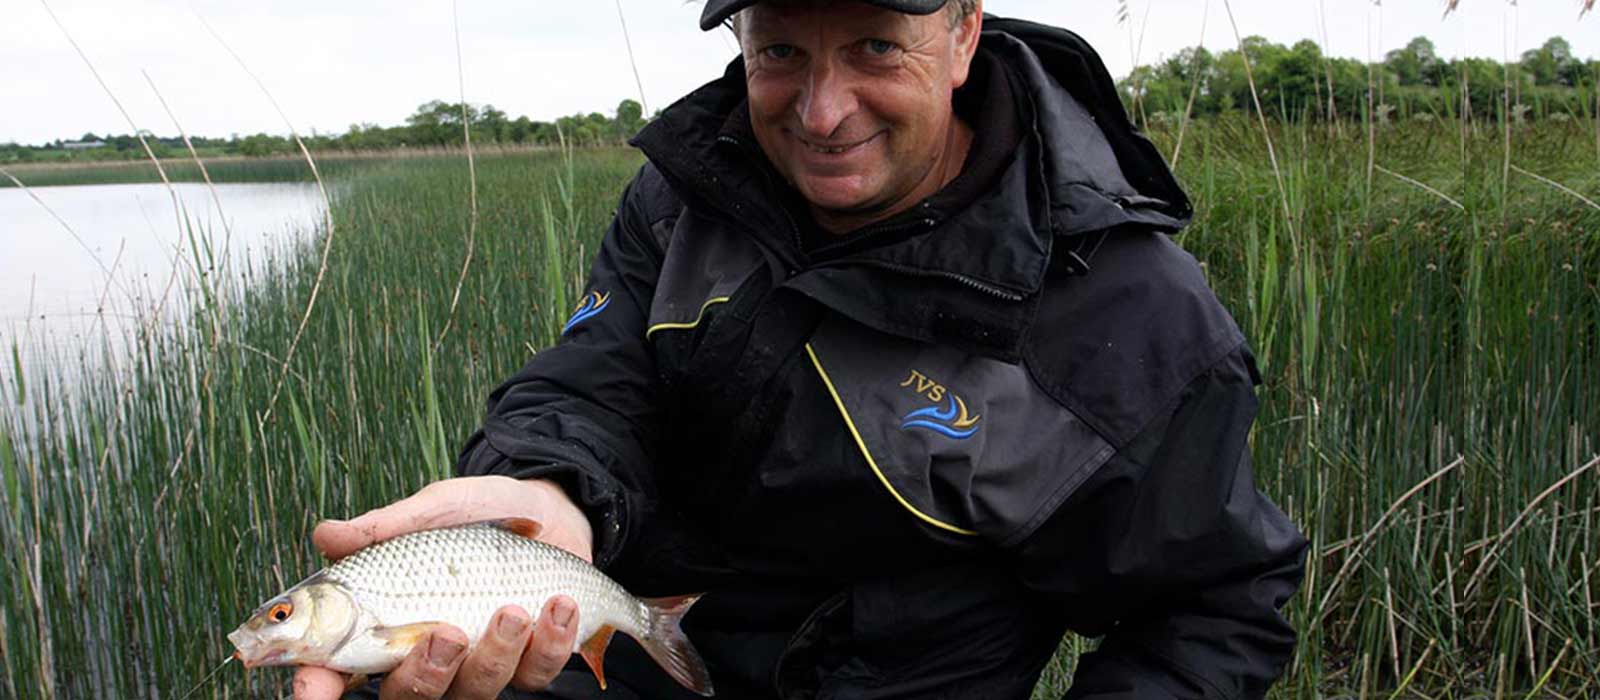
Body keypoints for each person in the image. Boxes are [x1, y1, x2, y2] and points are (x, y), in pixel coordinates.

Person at [297, 1, 1308, 698]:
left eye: (874, 46)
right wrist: (544, 484)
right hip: (622, 658)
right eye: (779, 53)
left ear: (963, 35)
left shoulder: (1135, 321)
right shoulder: (684, 192)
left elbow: (1214, 607)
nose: (821, 113)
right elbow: (598, 376)